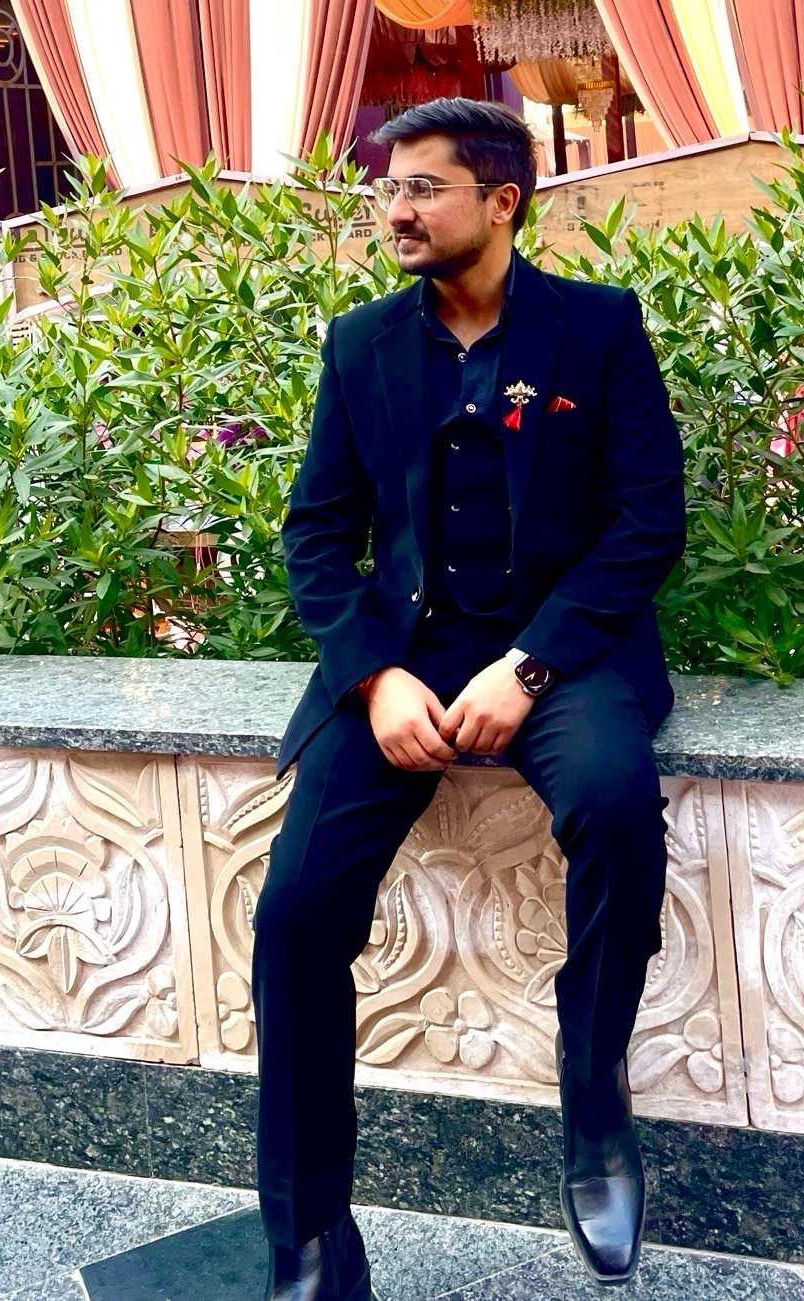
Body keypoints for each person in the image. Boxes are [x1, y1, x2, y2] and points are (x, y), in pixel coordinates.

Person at [252, 97, 686, 1301]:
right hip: (403, 658)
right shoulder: (361, 343)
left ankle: (592, 1094)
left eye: (420, 188)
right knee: (293, 914)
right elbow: (315, 533)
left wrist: (530, 665)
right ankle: (308, 1233)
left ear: (501, 202)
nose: (393, 210)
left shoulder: (596, 326)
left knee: (615, 809)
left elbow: (646, 519)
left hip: (562, 653)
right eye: (387, 188)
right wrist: (374, 674)